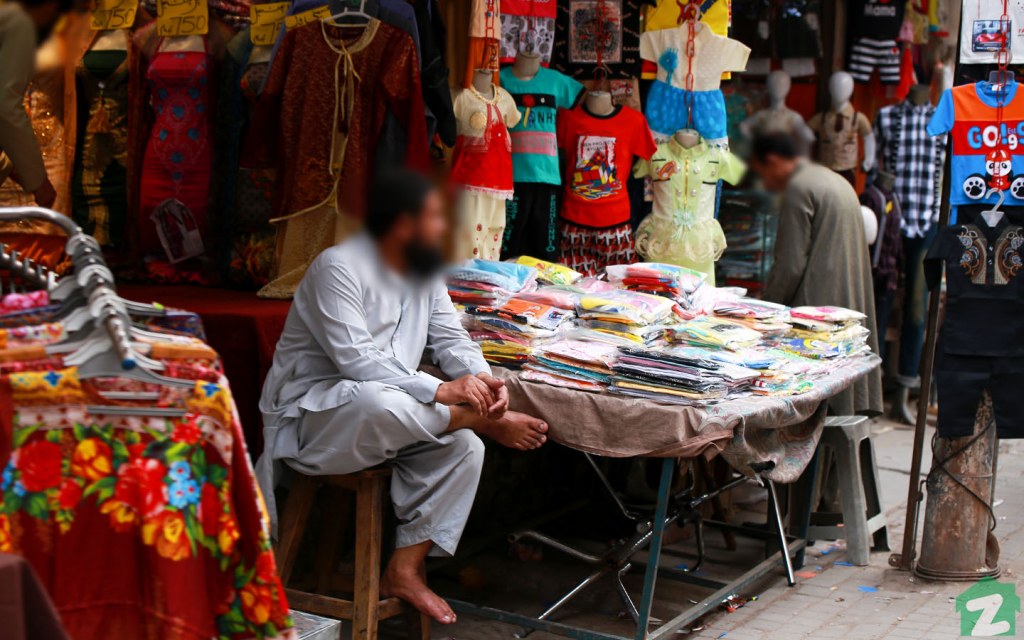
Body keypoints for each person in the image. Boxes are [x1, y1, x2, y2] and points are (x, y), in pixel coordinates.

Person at [256, 169, 549, 624]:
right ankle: (477, 421)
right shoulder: (338, 267)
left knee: (464, 449)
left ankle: (404, 570)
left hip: (395, 419)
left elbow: (451, 339)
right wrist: (444, 391)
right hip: (318, 422)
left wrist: (482, 379)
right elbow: (358, 361)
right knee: (379, 401)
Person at [749, 133, 882, 416]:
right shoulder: (834, 179)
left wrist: (765, 311)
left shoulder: (798, 188)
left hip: (818, 310)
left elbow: (790, 264)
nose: (767, 185)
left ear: (773, 161)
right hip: (845, 301)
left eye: (764, 175)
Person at [0, 0, 67, 208]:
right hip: (21, 147)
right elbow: (5, 104)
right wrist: (37, 181)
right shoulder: (18, 20)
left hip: (45, 147)